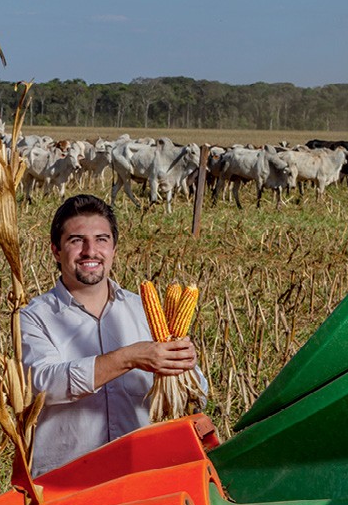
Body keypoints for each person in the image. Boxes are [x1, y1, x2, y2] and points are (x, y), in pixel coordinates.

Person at [20, 194, 208, 477]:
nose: (90, 251)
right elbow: (44, 386)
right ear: (56, 251)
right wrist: (129, 358)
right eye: (76, 240)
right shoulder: (33, 317)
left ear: (114, 249)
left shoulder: (142, 310)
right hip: (66, 480)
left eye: (101, 239)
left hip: (142, 474)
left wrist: (184, 369)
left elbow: (199, 397)